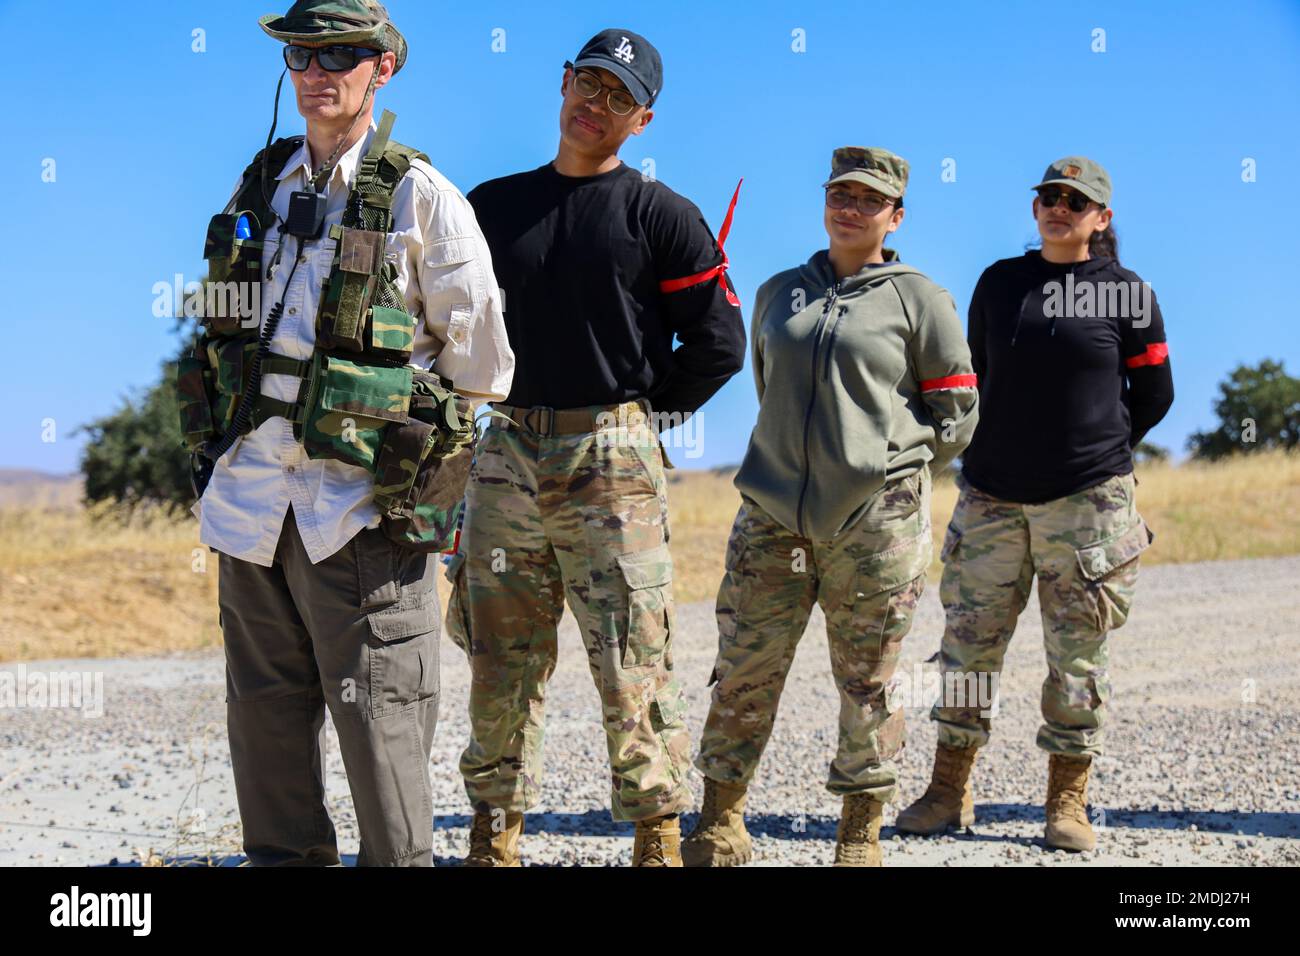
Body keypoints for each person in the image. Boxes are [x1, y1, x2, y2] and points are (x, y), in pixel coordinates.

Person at [176, 0, 513, 866]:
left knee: (382, 732)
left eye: (341, 56)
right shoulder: (259, 184)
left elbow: (481, 366)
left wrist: (399, 451)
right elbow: (219, 322)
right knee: (266, 727)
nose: (317, 73)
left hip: (358, 511)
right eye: (300, 57)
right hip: (251, 505)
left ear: (383, 67)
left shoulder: (420, 196)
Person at [447, 28, 746, 867]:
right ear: (564, 81)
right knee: (500, 652)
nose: (596, 104)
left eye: (619, 96)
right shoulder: (491, 207)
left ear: (642, 120)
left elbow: (720, 342)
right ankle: (493, 833)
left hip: (609, 455)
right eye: (588, 82)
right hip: (504, 451)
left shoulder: (660, 214)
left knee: (632, 655)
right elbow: (447, 325)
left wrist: (643, 420)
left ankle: (655, 835)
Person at [681, 147, 979, 867]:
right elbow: (766, 383)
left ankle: (859, 831)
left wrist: (895, 473)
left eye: (868, 200)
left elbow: (957, 410)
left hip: (875, 523)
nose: (850, 208)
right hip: (771, 515)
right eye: (840, 194)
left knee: (869, 681)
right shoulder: (779, 292)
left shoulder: (920, 299)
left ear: (895, 216)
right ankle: (721, 820)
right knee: (744, 668)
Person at [896, 156, 1174, 852]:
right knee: (966, 651)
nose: (1059, 208)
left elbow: (1155, 394)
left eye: (1076, 202)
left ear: (1101, 219)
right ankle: (947, 790)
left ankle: (1067, 801)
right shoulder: (1000, 283)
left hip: (1086, 503)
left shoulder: (1127, 293)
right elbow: (977, 378)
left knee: (1077, 659)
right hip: (991, 495)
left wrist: (1099, 454)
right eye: (1049, 197)